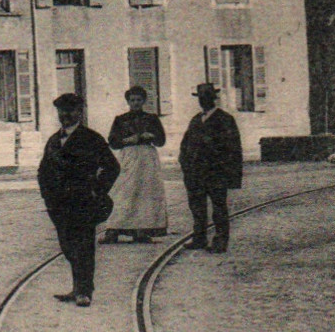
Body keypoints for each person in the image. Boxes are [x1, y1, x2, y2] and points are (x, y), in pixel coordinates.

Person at [37, 92, 120, 307]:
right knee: (67, 246)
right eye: (61, 111)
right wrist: (47, 196)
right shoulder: (54, 140)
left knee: (83, 246)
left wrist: (98, 190)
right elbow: (43, 170)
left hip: (83, 201)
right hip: (58, 204)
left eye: (70, 110)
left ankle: (85, 290)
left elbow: (112, 167)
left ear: (79, 112)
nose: (65, 115)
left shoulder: (92, 138)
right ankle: (77, 288)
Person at [179, 82, 243, 253]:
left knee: (219, 207)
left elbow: (234, 149)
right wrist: (186, 167)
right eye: (201, 98)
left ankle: (220, 240)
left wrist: (232, 176)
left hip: (216, 173)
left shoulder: (225, 119)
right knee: (197, 208)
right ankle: (199, 237)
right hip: (196, 174)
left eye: (207, 97)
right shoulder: (195, 120)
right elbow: (184, 146)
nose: (204, 101)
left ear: (214, 98)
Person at [103, 86, 168, 244]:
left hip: (147, 159)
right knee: (123, 191)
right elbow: (112, 142)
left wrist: (151, 135)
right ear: (128, 101)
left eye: (139, 100)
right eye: (132, 100)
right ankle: (114, 228)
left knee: (145, 192)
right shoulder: (120, 119)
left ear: (144, 101)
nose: (136, 103)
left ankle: (142, 229)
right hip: (129, 158)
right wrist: (127, 140)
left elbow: (161, 140)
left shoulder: (152, 119)